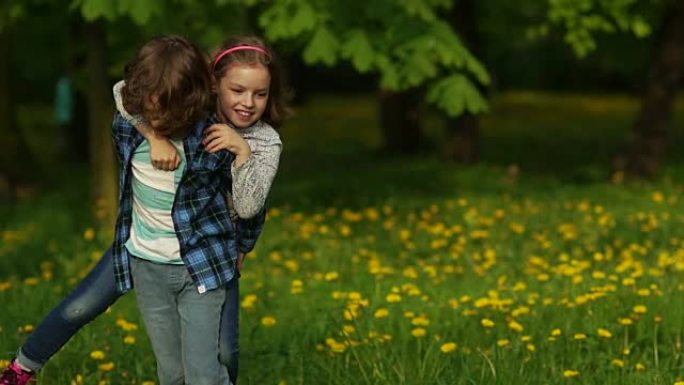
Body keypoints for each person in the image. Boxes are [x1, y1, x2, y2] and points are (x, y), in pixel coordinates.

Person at [0, 35, 286, 385]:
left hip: (211, 252)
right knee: (82, 305)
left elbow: (251, 208)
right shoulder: (189, 110)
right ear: (212, 86)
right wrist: (153, 135)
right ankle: (21, 368)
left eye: (260, 94)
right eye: (237, 90)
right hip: (144, 245)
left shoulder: (258, 140)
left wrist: (242, 157)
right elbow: (126, 91)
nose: (247, 102)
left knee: (221, 354)